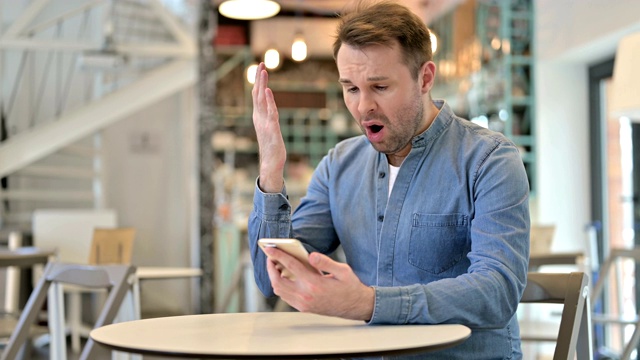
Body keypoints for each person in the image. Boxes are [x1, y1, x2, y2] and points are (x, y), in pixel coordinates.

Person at [248, 0, 530, 358]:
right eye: (351, 88)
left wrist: (369, 303)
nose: (363, 106)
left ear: (425, 78)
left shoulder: (489, 159)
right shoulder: (339, 165)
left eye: (379, 87)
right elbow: (271, 282)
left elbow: (498, 292)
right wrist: (271, 172)